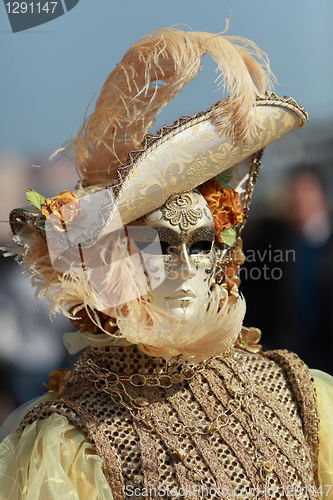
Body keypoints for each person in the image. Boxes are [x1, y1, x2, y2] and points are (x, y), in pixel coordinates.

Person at [0, 28, 332, 500]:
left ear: (221, 252)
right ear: (121, 257)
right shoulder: (71, 438)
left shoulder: (299, 397)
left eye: (198, 244)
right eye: (158, 243)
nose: (180, 266)